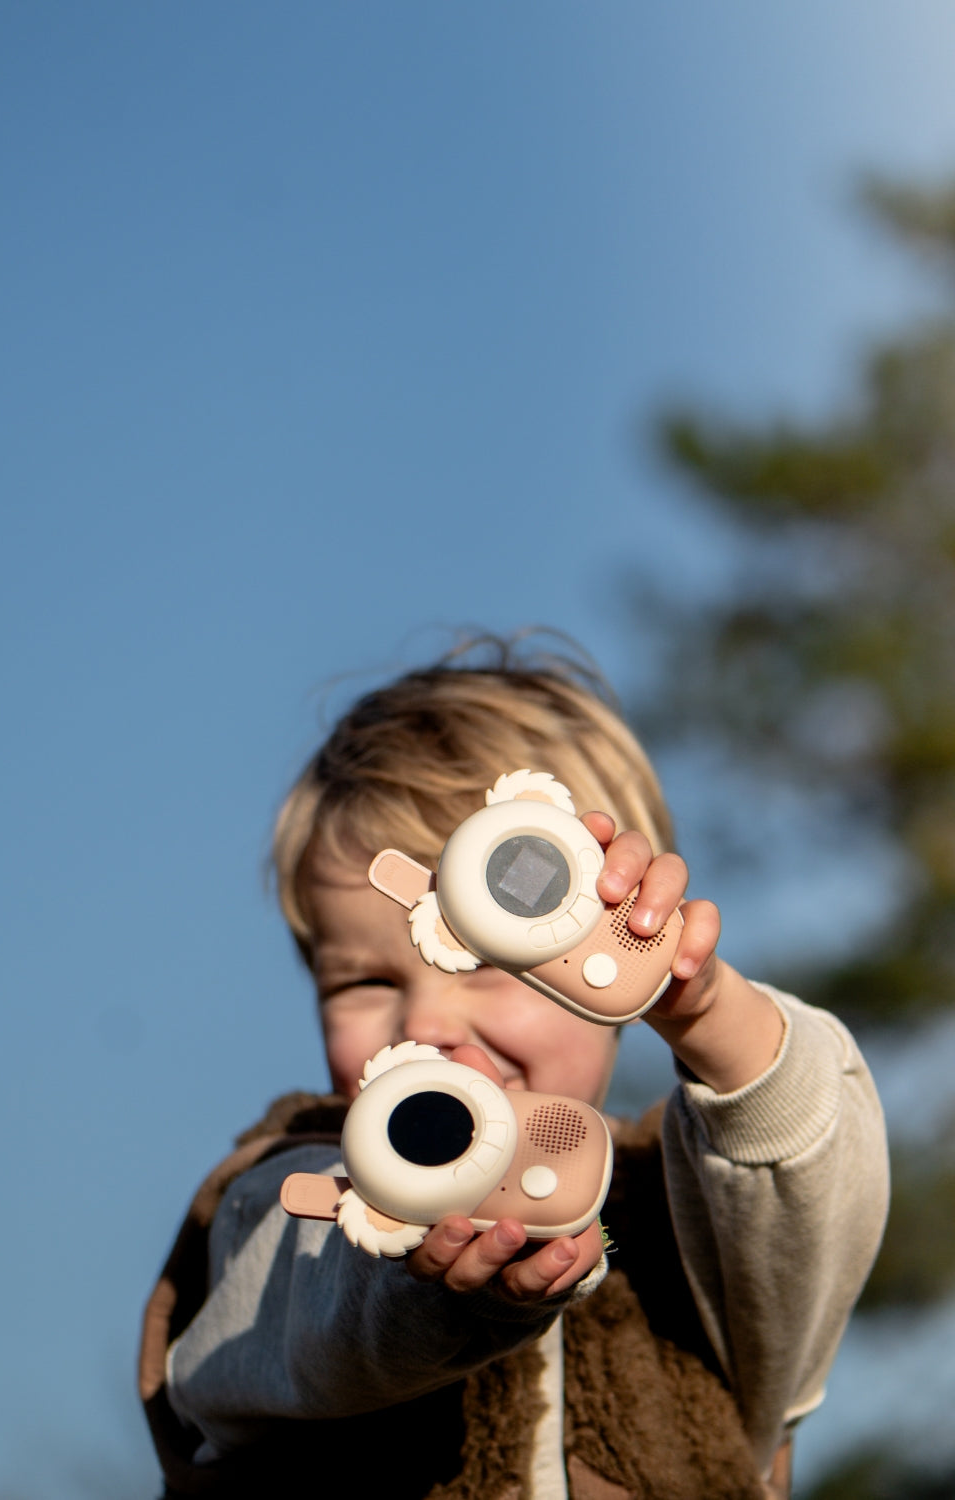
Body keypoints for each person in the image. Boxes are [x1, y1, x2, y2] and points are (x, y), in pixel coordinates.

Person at [139, 635, 889, 1500]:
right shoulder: (278, 1197)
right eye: (367, 980)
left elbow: (815, 1188)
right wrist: (431, 1270)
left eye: (493, 965)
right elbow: (314, 1307)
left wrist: (708, 1009)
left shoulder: (692, 1216)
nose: (425, 1022)